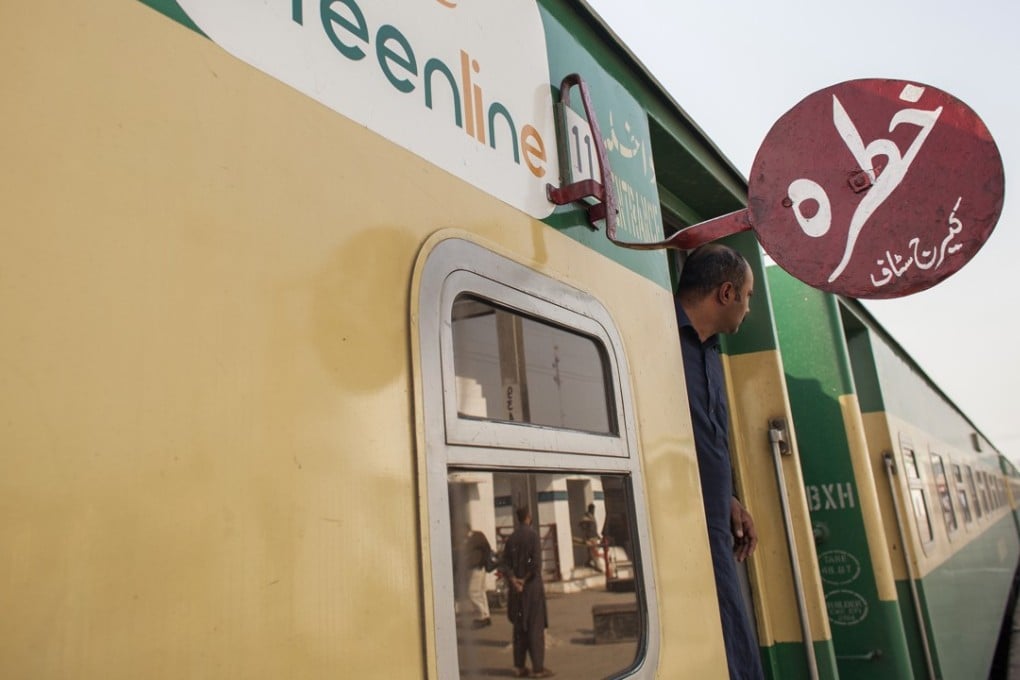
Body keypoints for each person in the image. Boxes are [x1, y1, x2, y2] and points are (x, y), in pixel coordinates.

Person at [676, 243, 764, 680]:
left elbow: (705, 439)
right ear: (726, 294)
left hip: (715, 520)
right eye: (747, 297)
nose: (748, 309)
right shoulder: (660, 338)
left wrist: (728, 496)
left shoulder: (710, 353)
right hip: (681, 528)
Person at [503, 506, 553, 678]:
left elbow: (505, 565)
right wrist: (524, 580)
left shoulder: (511, 538)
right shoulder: (532, 536)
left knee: (519, 628)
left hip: (516, 590)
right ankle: (538, 667)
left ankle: (519, 666)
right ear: (529, 517)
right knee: (534, 627)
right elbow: (535, 564)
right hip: (531, 588)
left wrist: (514, 581)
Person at [459, 523, 493, 628]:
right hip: (476, 567)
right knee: (481, 592)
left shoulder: (475, 537)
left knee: (472, 592)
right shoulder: (472, 537)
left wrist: (484, 563)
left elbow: (485, 549)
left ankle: (482, 615)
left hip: (477, 567)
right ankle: (486, 615)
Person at [578, 503, 601, 570]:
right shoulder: (586, 517)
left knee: (591, 551)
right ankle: (597, 566)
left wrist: (597, 535)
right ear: (590, 509)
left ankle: (588, 562)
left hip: (594, 536)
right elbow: (583, 527)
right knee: (594, 551)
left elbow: (593, 527)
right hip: (590, 537)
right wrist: (585, 537)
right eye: (592, 509)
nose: (593, 510)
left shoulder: (592, 517)